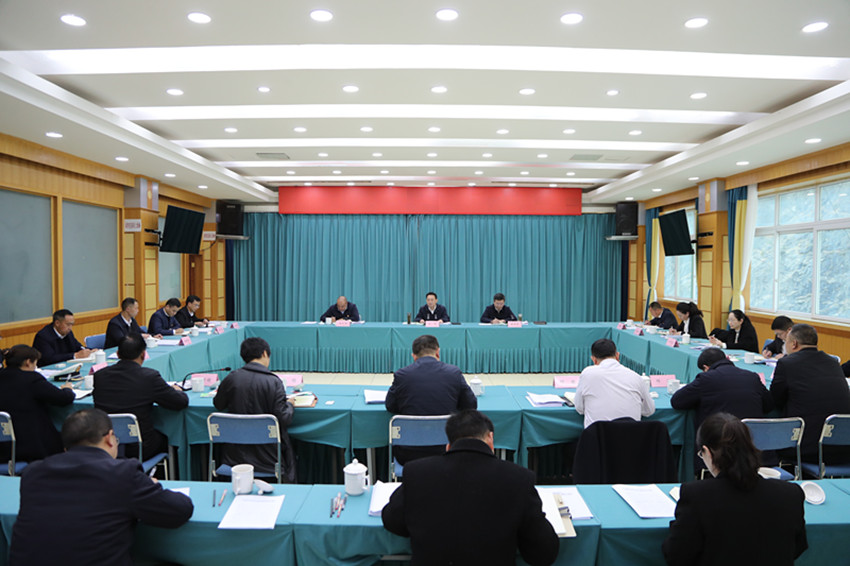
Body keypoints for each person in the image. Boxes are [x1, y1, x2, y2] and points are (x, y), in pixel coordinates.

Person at [9, 408, 193, 566]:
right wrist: (151, 486)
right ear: (110, 438)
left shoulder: (33, 474)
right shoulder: (122, 473)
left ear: (66, 448)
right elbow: (179, 510)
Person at [382, 410, 559, 566]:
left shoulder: (417, 473)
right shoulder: (519, 479)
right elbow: (543, 553)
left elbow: (392, 520)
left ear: (448, 445)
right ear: (490, 439)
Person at [662, 413, 807, 566]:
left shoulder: (696, 496)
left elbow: (675, 555)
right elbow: (798, 547)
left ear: (708, 452)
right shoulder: (791, 494)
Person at [671, 347, 773, 471]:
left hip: (719, 449)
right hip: (752, 448)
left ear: (706, 367)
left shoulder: (706, 379)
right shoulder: (752, 377)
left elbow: (677, 401)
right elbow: (769, 405)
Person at [213, 337, 297, 483]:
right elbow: (284, 418)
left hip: (234, 458)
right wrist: (290, 404)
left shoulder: (231, 378)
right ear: (264, 353)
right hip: (269, 459)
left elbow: (218, 404)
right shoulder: (273, 382)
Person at [385, 334, 477, 464]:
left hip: (408, 453)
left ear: (414, 356)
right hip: (446, 450)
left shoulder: (402, 375)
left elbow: (390, 406)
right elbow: (471, 405)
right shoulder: (454, 373)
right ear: (438, 352)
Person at [93, 335, 188, 458]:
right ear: (143, 354)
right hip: (140, 447)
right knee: (170, 439)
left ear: (117, 354)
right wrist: (177, 390)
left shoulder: (100, 376)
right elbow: (180, 402)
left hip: (107, 445)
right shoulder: (149, 377)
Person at [769, 323, 850, 461]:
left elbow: (775, 400)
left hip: (805, 446)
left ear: (794, 344)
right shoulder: (832, 363)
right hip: (842, 444)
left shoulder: (787, 364)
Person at [0, 345, 75, 463]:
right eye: (35, 363)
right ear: (28, 362)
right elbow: (64, 398)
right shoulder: (32, 379)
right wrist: (67, 389)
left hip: (3, 447)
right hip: (31, 445)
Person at [575, 338, 655, 428]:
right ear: (617, 356)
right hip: (630, 435)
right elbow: (649, 410)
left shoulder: (587, 374)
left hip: (598, 435)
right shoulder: (636, 377)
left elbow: (579, 408)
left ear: (594, 360)